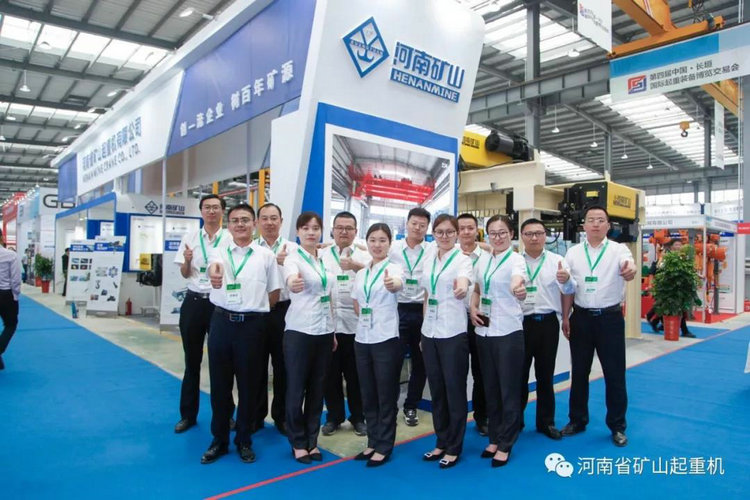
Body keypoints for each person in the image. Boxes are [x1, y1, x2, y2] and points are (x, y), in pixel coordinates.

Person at [200, 203, 281, 464]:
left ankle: (244, 439)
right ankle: (219, 440)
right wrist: (214, 274)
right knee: (220, 386)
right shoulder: (218, 251)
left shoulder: (265, 256)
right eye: (235, 220)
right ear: (229, 225)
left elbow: (274, 293)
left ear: (254, 224)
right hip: (222, 323)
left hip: (252, 327)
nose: (240, 225)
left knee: (249, 386)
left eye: (245, 220)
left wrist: (254, 310)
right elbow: (214, 268)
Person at [562, 205, 637, 447]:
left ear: (608, 225)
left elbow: (630, 266)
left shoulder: (619, 250)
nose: (595, 223)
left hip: (609, 319)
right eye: (591, 219)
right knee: (579, 372)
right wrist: (566, 317)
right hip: (581, 318)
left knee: (614, 374)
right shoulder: (573, 253)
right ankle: (577, 420)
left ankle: (617, 426)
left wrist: (631, 270)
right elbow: (568, 288)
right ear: (583, 225)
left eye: (600, 220)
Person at [469, 215, 527, 467]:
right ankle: (494, 437)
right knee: (490, 388)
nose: (498, 237)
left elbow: (518, 280)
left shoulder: (516, 260)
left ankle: (506, 442)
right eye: (493, 233)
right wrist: (473, 308)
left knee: (508, 390)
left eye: (502, 232)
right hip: (484, 332)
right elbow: (477, 289)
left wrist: (518, 289)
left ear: (511, 234)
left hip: (508, 333)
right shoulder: (483, 259)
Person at [173, 194, 230, 434]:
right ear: (201, 211)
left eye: (216, 207)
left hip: (220, 304)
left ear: (222, 211)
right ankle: (188, 415)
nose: (211, 211)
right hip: (195, 301)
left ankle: (225, 416)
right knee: (192, 360)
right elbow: (185, 274)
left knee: (223, 363)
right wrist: (187, 261)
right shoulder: (190, 238)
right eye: (207, 207)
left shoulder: (230, 237)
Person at [283, 211, 336, 464]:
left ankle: (312, 440)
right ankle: (298, 442)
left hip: (324, 331)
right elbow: (291, 278)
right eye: (306, 228)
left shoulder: (325, 259)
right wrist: (293, 283)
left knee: (317, 389)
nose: (311, 232)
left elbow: (329, 296)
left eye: (315, 228)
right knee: (296, 389)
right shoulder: (293, 259)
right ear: (298, 232)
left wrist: (332, 330)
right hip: (300, 331)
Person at [420, 214, 472, 469]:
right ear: (433, 234)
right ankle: (441, 440)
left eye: (449, 232)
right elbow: (427, 294)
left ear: (457, 234)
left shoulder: (463, 260)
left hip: (452, 332)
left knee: (454, 390)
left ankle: (454, 446)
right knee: (437, 391)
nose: (444, 236)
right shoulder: (429, 256)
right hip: (429, 332)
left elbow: (464, 281)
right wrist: (423, 331)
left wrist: (461, 288)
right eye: (439, 232)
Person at [350, 223, 404, 467]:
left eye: (382, 240)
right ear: (367, 242)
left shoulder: (394, 268)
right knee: (368, 393)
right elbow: (356, 302)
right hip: (362, 338)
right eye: (372, 240)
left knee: (385, 394)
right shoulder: (362, 273)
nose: (377, 245)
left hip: (385, 339)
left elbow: (397, 283)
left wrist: (393, 284)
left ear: (389, 243)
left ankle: (384, 445)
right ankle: (372, 441)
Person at [518, 218, 575, 441]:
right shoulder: (514, 261)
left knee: (545, 375)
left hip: (547, 323)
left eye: (539, 233)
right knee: (519, 376)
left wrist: (567, 279)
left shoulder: (557, 261)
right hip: (520, 324)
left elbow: (568, 290)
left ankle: (546, 422)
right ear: (522, 236)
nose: (534, 238)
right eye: (529, 233)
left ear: (545, 236)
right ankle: (515, 421)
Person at [321, 211, 370, 437]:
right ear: (332, 230)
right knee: (330, 375)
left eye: (349, 228)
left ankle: (358, 417)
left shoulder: (365, 255)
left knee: (356, 375)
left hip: (355, 325)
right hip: (328, 324)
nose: (344, 231)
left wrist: (355, 266)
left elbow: (374, 275)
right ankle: (334, 417)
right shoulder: (322, 255)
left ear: (356, 231)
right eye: (339, 227)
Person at [254, 202, 296, 435]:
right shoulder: (250, 249)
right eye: (265, 218)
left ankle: (281, 416)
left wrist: (285, 262)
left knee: (283, 366)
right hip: (258, 311)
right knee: (256, 365)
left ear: (281, 221)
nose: (269, 223)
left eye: (274, 218)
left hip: (284, 311)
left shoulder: (293, 248)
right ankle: (256, 415)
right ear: (258, 222)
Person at [388, 207, 433, 427]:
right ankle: (390, 407)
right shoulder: (393, 248)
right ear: (407, 224)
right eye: (414, 223)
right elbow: (369, 251)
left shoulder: (433, 249)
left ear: (427, 227)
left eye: (422, 225)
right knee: (393, 360)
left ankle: (411, 406)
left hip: (423, 310)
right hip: (398, 309)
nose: (417, 228)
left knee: (420, 362)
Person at [456, 213, 488, 436]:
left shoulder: (488, 255)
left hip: (480, 318)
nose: (466, 232)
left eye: (470, 228)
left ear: (477, 230)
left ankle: (481, 416)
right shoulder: (448, 255)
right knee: (456, 372)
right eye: (462, 228)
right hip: (455, 318)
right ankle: (455, 418)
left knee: (481, 371)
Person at [646, 239, 695, 338]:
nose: (679, 247)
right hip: (667, 287)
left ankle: (655, 320)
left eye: (680, 244)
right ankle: (684, 330)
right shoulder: (665, 257)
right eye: (676, 244)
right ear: (671, 246)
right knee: (673, 307)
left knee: (670, 307)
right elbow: (657, 270)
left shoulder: (682, 257)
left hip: (678, 287)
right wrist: (652, 285)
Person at [0, 230, 21, 371]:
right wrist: (15, 296)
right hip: (5, 294)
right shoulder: (10, 255)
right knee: (11, 325)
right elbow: (15, 279)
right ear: (1, 237)